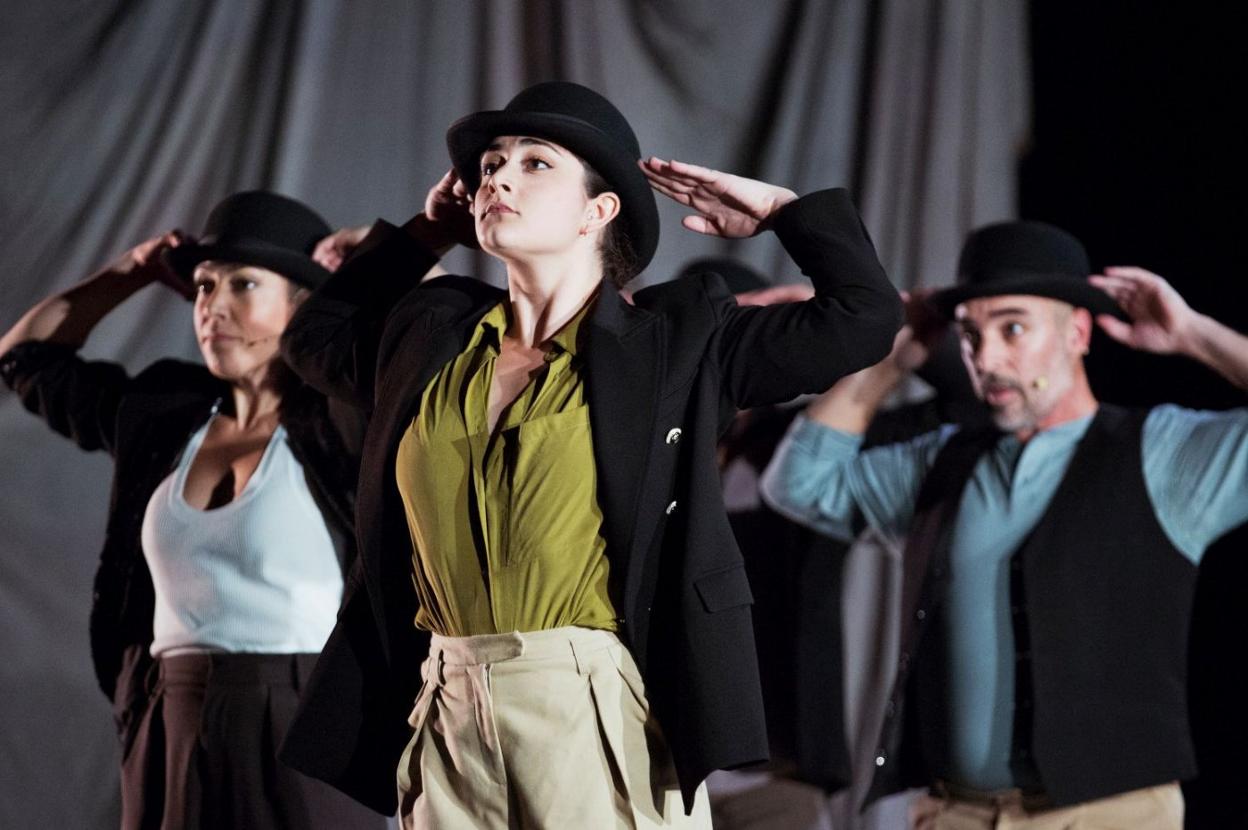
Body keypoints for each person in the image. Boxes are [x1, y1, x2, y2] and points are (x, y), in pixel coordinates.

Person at [274, 81, 903, 828]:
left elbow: (864, 318)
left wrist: (781, 213)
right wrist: (425, 233)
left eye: (535, 163)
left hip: (586, 698)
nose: (498, 178)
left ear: (598, 211)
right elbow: (311, 340)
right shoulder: (433, 334)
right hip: (445, 700)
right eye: (490, 165)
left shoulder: (673, 341)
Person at [760, 220, 1248, 829]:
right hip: (954, 813)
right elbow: (797, 487)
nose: (985, 360)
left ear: (1076, 332)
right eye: (970, 335)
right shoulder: (940, 463)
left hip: (1108, 815)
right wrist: (888, 363)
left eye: (1012, 329)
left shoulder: (1159, 453)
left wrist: (1195, 336)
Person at [0, 191, 384, 829]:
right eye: (204, 285)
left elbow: (454, 365)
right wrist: (133, 270)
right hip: (171, 716)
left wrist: (391, 254)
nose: (213, 306)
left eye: (243, 284)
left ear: (302, 304)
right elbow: (23, 356)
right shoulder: (164, 412)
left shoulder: (347, 418)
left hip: (302, 719)